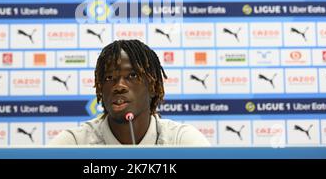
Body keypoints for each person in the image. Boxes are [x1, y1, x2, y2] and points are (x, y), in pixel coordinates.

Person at [49, 39, 210, 146]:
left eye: (132, 76)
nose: (119, 86)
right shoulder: (75, 144)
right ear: (99, 89)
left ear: (153, 86)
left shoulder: (181, 141)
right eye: (109, 77)